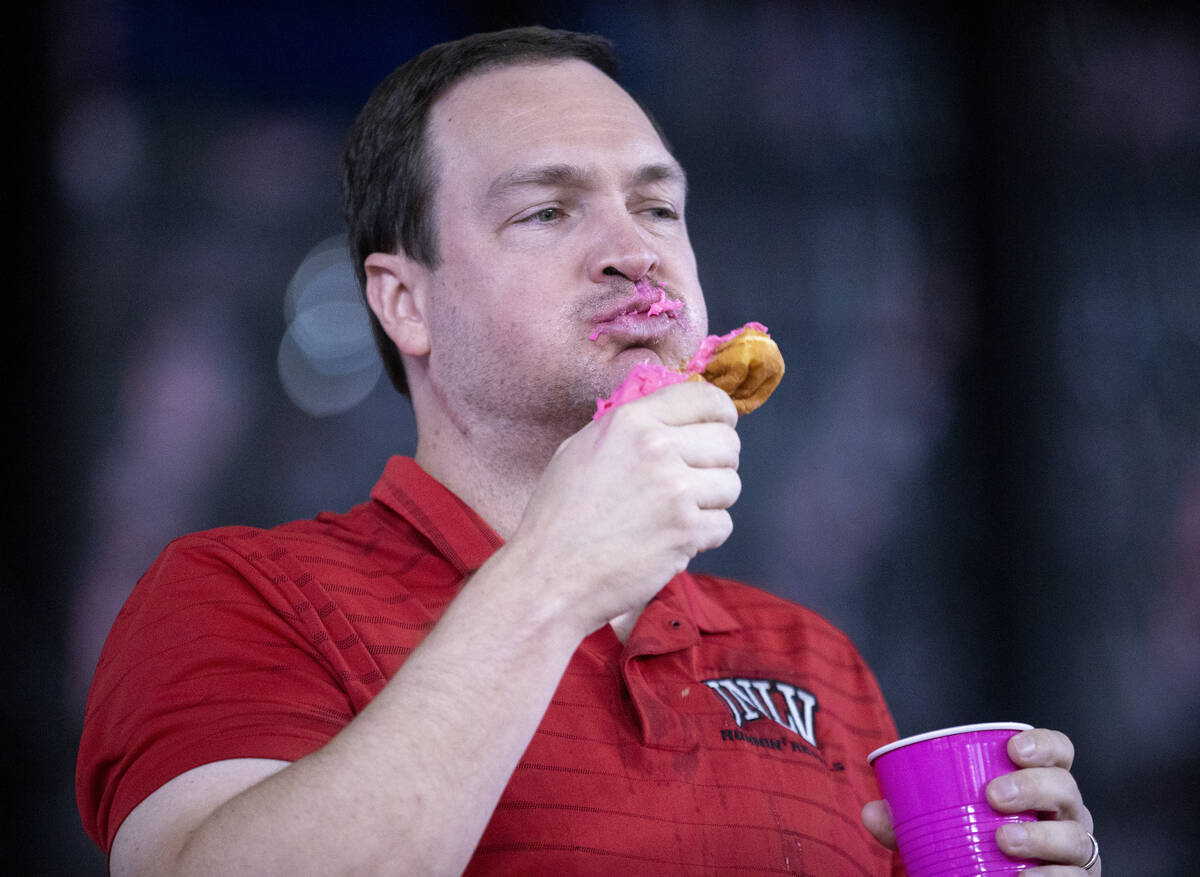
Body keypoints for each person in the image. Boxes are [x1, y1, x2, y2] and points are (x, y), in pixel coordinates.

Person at [76, 26, 1100, 876]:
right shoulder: (238, 596)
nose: (635, 248)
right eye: (548, 210)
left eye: (657, 206)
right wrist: (557, 574)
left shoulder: (814, 661)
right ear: (404, 302)